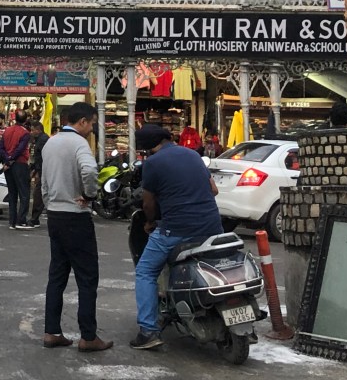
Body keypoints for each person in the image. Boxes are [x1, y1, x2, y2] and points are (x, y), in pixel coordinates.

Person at [130, 124, 223, 350]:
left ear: (146, 148)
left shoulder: (152, 163)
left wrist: (150, 223)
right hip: (213, 226)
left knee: (145, 271)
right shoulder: (193, 155)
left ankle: (148, 331)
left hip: (176, 229)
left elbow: (148, 203)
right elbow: (214, 190)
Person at [41, 101, 113, 352]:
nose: (92, 128)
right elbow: (90, 170)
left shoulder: (51, 142)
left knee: (57, 276)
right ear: (82, 122)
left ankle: (52, 331)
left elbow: (44, 180)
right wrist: (89, 194)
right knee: (87, 277)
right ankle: (88, 336)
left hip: (55, 215)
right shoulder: (79, 143)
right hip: (76, 215)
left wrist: (50, 201)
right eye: (92, 123)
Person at [0, 111, 31, 230]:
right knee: (24, 193)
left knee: (12, 193)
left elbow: (0, 148)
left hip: (8, 165)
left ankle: (12, 221)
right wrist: (12, 158)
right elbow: (20, 149)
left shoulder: (7, 131)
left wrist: (7, 159)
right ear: (25, 120)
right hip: (20, 164)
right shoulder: (25, 133)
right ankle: (21, 220)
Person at [28, 119, 49, 229]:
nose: (31, 132)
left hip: (44, 171)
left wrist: (38, 171)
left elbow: (42, 158)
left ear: (38, 130)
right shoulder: (40, 140)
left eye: (32, 130)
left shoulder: (43, 140)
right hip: (42, 170)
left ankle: (34, 218)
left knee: (39, 195)